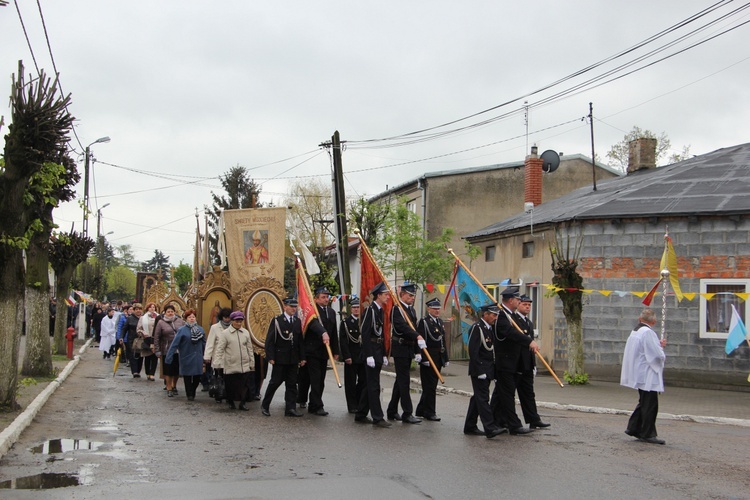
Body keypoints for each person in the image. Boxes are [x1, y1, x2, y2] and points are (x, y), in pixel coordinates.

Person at [490, 287, 537, 435]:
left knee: (501, 395)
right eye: (517, 300)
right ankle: (514, 425)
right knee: (507, 395)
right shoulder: (502, 315)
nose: (519, 302)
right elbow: (509, 333)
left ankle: (496, 420)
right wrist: (528, 341)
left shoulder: (512, 315)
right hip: (505, 362)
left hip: (514, 362)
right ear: (511, 300)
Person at [621, 308, 667, 445]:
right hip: (648, 374)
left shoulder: (636, 331)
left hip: (640, 371)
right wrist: (661, 351)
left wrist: (658, 345)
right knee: (650, 405)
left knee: (644, 403)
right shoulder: (648, 332)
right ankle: (647, 433)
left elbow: (645, 348)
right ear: (653, 321)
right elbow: (656, 355)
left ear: (640, 319)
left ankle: (633, 428)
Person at [464, 303, 507, 439]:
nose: (495, 318)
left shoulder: (488, 329)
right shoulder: (477, 328)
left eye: (496, 315)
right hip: (480, 370)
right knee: (483, 398)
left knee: (477, 398)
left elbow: (491, 352)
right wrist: (479, 370)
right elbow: (473, 351)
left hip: (488, 369)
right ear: (486, 314)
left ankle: (470, 426)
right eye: (494, 315)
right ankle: (490, 427)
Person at [386, 282, 425, 424]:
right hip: (400, 348)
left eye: (413, 296)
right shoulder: (397, 309)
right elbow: (402, 328)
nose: (412, 298)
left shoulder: (411, 310)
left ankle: (391, 410)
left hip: (409, 348)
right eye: (410, 295)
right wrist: (417, 337)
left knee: (400, 381)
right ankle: (407, 413)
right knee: (404, 381)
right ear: (402, 295)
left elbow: (413, 328)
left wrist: (417, 350)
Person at [354, 282, 391, 427]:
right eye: (385, 294)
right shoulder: (370, 310)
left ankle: (361, 413)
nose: (387, 297)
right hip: (370, 353)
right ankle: (378, 417)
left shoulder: (380, 311)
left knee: (369, 385)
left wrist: (383, 354)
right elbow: (365, 333)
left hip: (377, 351)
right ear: (378, 295)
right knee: (374, 386)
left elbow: (380, 334)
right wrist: (369, 354)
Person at [297, 286, 339, 416]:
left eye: (327, 297)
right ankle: (314, 404)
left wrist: (335, 350)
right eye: (323, 297)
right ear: (316, 299)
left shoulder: (331, 312)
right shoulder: (312, 311)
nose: (326, 299)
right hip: (311, 351)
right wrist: (323, 333)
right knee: (313, 378)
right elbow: (314, 325)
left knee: (320, 379)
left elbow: (333, 332)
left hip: (324, 352)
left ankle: (312, 403)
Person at [262, 298, 306, 417]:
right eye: (291, 306)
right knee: (274, 383)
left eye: (295, 307)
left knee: (292, 385)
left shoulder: (297, 321)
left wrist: (302, 357)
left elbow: (299, 341)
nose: (293, 309)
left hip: (293, 359)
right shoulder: (277, 321)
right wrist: (270, 356)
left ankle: (290, 408)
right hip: (280, 358)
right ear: (285, 306)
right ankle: (265, 405)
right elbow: (270, 340)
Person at [515, 295, 550, 429]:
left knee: (528, 393)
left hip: (527, 364)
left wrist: (533, 365)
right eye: (524, 304)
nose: (527, 307)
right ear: (518, 305)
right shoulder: (514, 321)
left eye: (529, 305)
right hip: (517, 364)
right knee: (504, 395)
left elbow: (531, 346)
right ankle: (498, 419)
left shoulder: (529, 323)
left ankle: (533, 419)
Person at [415, 298, 449, 421]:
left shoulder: (439, 322)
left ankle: (421, 409)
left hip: (438, 356)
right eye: (434, 308)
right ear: (428, 309)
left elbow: (442, 340)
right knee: (429, 386)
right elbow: (420, 340)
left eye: (438, 308)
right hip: (428, 356)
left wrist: (446, 357)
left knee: (431, 385)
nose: (437, 311)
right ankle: (430, 412)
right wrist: (422, 357)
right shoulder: (424, 322)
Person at [214, 311, 255, 410]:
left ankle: (243, 402)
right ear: (232, 321)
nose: (239, 323)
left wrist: (251, 362)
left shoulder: (245, 332)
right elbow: (220, 349)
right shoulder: (225, 334)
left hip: (244, 363)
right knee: (231, 385)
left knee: (244, 385)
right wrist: (217, 363)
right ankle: (231, 401)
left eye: (240, 321)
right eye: (237, 321)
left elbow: (249, 348)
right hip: (231, 364)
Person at [165, 309, 206, 401]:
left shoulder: (200, 329)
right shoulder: (182, 330)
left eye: (193, 317)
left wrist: (207, 355)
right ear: (186, 319)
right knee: (187, 376)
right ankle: (189, 394)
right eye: (189, 317)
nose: (192, 319)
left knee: (197, 376)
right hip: (186, 356)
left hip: (198, 356)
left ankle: (193, 390)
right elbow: (174, 344)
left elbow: (204, 343)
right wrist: (169, 356)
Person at [153, 304, 186, 397]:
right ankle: (168, 387)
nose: (170, 313)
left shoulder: (180, 321)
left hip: (178, 350)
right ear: (165, 313)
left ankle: (174, 385)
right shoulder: (161, 322)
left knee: (176, 370)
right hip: (166, 349)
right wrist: (157, 350)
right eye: (168, 312)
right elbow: (157, 337)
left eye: (172, 311)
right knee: (168, 370)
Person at [339, 297, 365, 414]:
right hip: (351, 356)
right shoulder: (346, 323)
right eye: (354, 308)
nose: (356, 310)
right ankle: (352, 405)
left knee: (363, 381)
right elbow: (343, 341)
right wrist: (346, 356)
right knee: (350, 382)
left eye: (358, 307)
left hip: (363, 356)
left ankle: (359, 402)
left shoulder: (364, 321)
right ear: (351, 309)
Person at [137, 302, 160, 381]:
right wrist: (143, 332)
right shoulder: (143, 318)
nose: (152, 309)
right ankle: (148, 372)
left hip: (156, 339)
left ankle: (152, 373)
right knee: (148, 356)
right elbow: (138, 329)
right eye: (150, 307)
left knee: (155, 356)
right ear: (147, 308)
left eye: (154, 307)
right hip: (147, 338)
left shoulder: (158, 317)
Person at [123, 303, 144, 378]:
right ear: (134, 310)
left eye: (140, 309)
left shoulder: (143, 318)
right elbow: (124, 329)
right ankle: (134, 371)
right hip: (131, 339)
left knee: (140, 355)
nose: (138, 311)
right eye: (137, 309)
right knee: (132, 355)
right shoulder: (130, 318)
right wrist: (121, 337)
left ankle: (138, 370)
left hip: (141, 339)